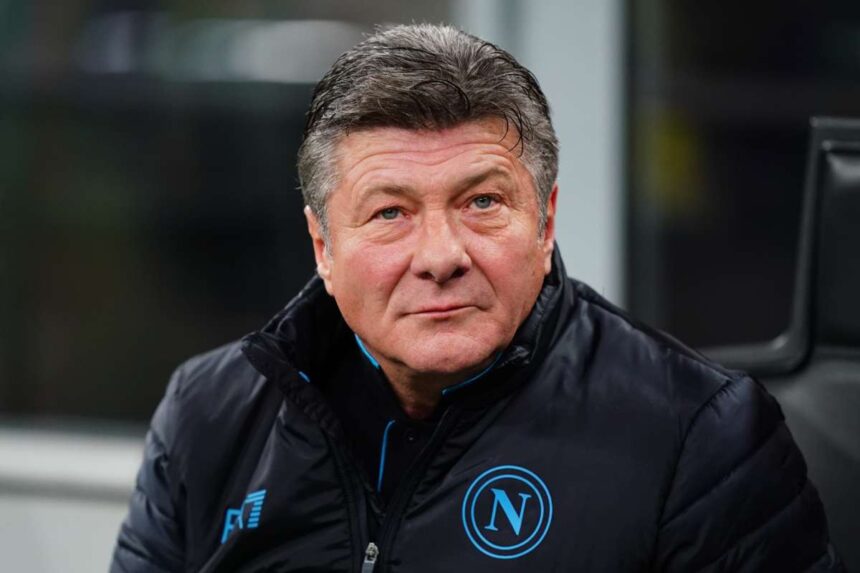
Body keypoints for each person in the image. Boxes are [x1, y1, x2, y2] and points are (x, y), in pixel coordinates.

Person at [111, 24, 843, 572]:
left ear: (545, 222)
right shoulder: (208, 415)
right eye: (390, 212)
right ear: (323, 247)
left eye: (482, 202)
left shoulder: (702, 439)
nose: (440, 257)